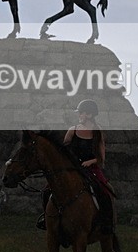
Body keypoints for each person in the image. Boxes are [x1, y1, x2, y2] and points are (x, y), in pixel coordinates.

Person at [36, 99, 115, 233]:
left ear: (89, 115)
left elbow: (101, 157)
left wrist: (90, 162)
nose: (79, 116)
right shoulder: (72, 130)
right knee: (47, 191)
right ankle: (47, 218)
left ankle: (107, 224)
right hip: (72, 168)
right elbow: (64, 151)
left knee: (106, 191)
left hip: (91, 168)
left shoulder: (97, 131)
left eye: (81, 113)